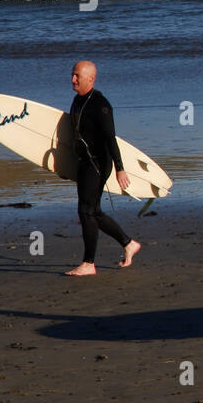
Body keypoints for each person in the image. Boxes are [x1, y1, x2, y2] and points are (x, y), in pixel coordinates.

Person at [64, 61, 141, 276]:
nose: (73, 80)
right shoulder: (77, 101)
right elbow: (75, 137)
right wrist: (66, 166)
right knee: (93, 211)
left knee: (86, 211)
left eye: (77, 76)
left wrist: (120, 168)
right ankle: (128, 244)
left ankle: (88, 264)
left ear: (91, 79)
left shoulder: (101, 104)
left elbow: (110, 138)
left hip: (98, 163)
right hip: (84, 162)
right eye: (72, 75)